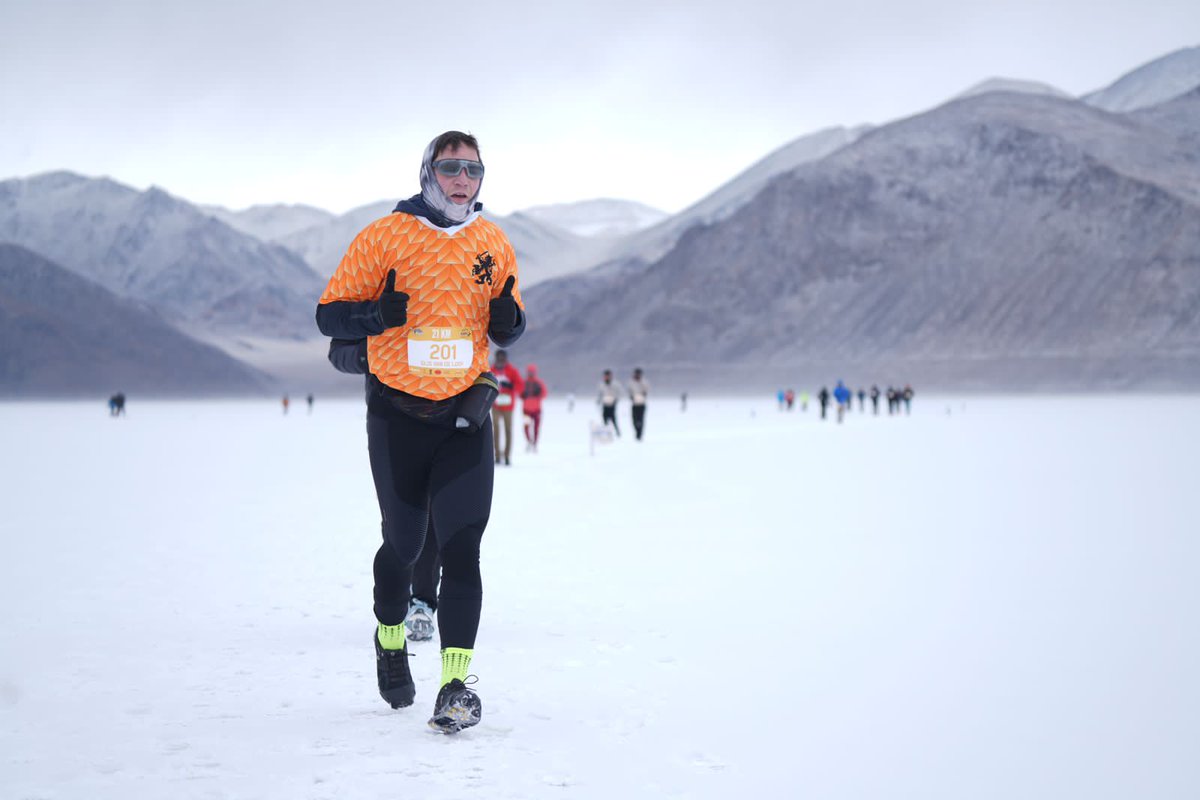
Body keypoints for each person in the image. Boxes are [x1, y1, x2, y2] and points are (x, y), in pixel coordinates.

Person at [315, 130, 525, 734]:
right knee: (404, 545)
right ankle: (389, 638)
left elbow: (509, 323)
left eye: (473, 169)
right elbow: (328, 315)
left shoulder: (492, 242)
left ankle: (455, 687)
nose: (463, 179)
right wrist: (375, 315)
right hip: (398, 416)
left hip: (464, 415)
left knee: (462, 549)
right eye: (451, 167)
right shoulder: (384, 235)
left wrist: (509, 322)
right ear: (429, 171)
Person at [491, 349, 523, 465]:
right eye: (499, 358)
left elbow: (520, 386)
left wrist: (511, 386)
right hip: (495, 404)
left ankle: (507, 456)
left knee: (508, 430)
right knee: (496, 429)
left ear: (505, 359)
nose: (500, 360)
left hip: (508, 406)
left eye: (502, 358)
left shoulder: (512, 371)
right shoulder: (491, 370)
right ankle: (497, 455)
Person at [521, 363, 547, 452]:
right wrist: (522, 394)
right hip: (526, 410)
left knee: (536, 428)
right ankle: (529, 441)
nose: (531, 374)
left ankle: (535, 443)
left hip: (536, 410)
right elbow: (519, 393)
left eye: (532, 372)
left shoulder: (539, 383)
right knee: (526, 427)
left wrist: (539, 394)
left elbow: (544, 393)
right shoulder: (524, 383)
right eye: (529, 372)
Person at [597, 369, 622, 436]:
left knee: (613, 418)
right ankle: (607, 432)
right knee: (604, 418)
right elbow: (600, 393)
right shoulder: (602, 384)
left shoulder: (615, 384)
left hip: (612, 404)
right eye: (605, 376)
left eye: (608, 376)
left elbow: (619, 393)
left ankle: (617, 432)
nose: (607, 377)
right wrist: (599, 400)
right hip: (605, 404)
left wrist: (616, 400)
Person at [628, 367, 649, 441]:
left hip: (642, 404)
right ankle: (637, 431)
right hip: (634, 404)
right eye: (636, 374)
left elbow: (646, 390)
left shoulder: (644, 382)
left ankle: (639, 434)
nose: (637, 375)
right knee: (634, 420)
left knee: (640, 419)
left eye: (638, 374)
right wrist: (631, 397)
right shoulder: (631, 382)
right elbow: (629, 391)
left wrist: (643, 395)